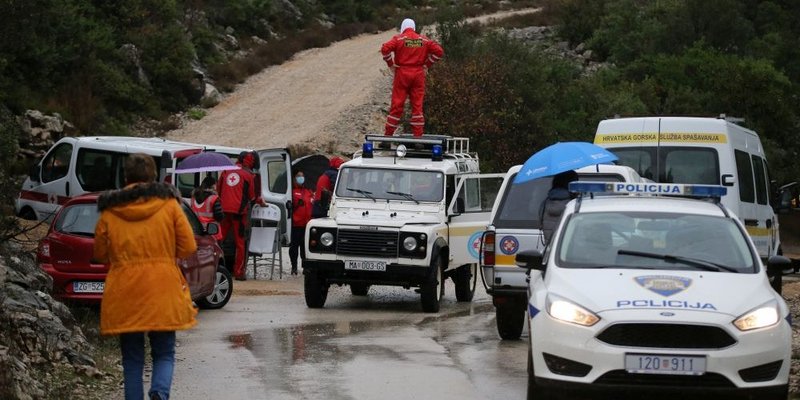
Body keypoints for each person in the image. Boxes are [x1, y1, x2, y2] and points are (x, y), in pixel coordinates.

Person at [93, 153, 197, 400]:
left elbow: (99, 254)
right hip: (163, 288)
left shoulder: (110, 211)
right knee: (164, 353)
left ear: (125, 177)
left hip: (125, 291)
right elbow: (189, 246)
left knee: (132, 359)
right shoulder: (170, 205)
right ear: (153, 176)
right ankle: (160, 393)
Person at [380, 18, 444, 138]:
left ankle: (388, 136)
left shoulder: (398, 39)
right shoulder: (424, 40)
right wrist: (427, 65)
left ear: (403, 27)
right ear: (414, 28)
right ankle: (418, 137)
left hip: (402, 73)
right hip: (418, 74)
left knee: (397, 106)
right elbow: (439, 52)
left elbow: (385, 49)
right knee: (417, 106)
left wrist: (390, 64)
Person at [217, 151, 260, 280]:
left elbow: (218, 190)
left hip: (224, 212)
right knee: (240, 244)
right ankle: (239, 272)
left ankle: (214, 266)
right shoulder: (248, 175)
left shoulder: (225, 172)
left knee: (219, 240)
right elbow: (252, 197)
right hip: (239, 214)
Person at [540, 170, 579, 244]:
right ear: (571, 184)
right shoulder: (574, 204)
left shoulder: (546, 202)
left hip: (551, 248)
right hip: (568, 249)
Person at [290, 170, 314, 275]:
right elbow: (289, 207)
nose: (301, 178)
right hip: (295, 225)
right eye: (299, 176)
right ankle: (294, 267)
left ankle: (305, 267)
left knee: (305, 247)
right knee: (294, 247)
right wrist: (296, 204)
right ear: (294, 178)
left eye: (303, 176)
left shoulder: (308, 192)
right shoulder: (291, 192)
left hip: (306, 225)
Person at [191, 175, 223, 241]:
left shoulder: (194, 197)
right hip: (212, 232)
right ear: (213, 186)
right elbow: (219, 217)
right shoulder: (213, 198)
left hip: (197, 231)